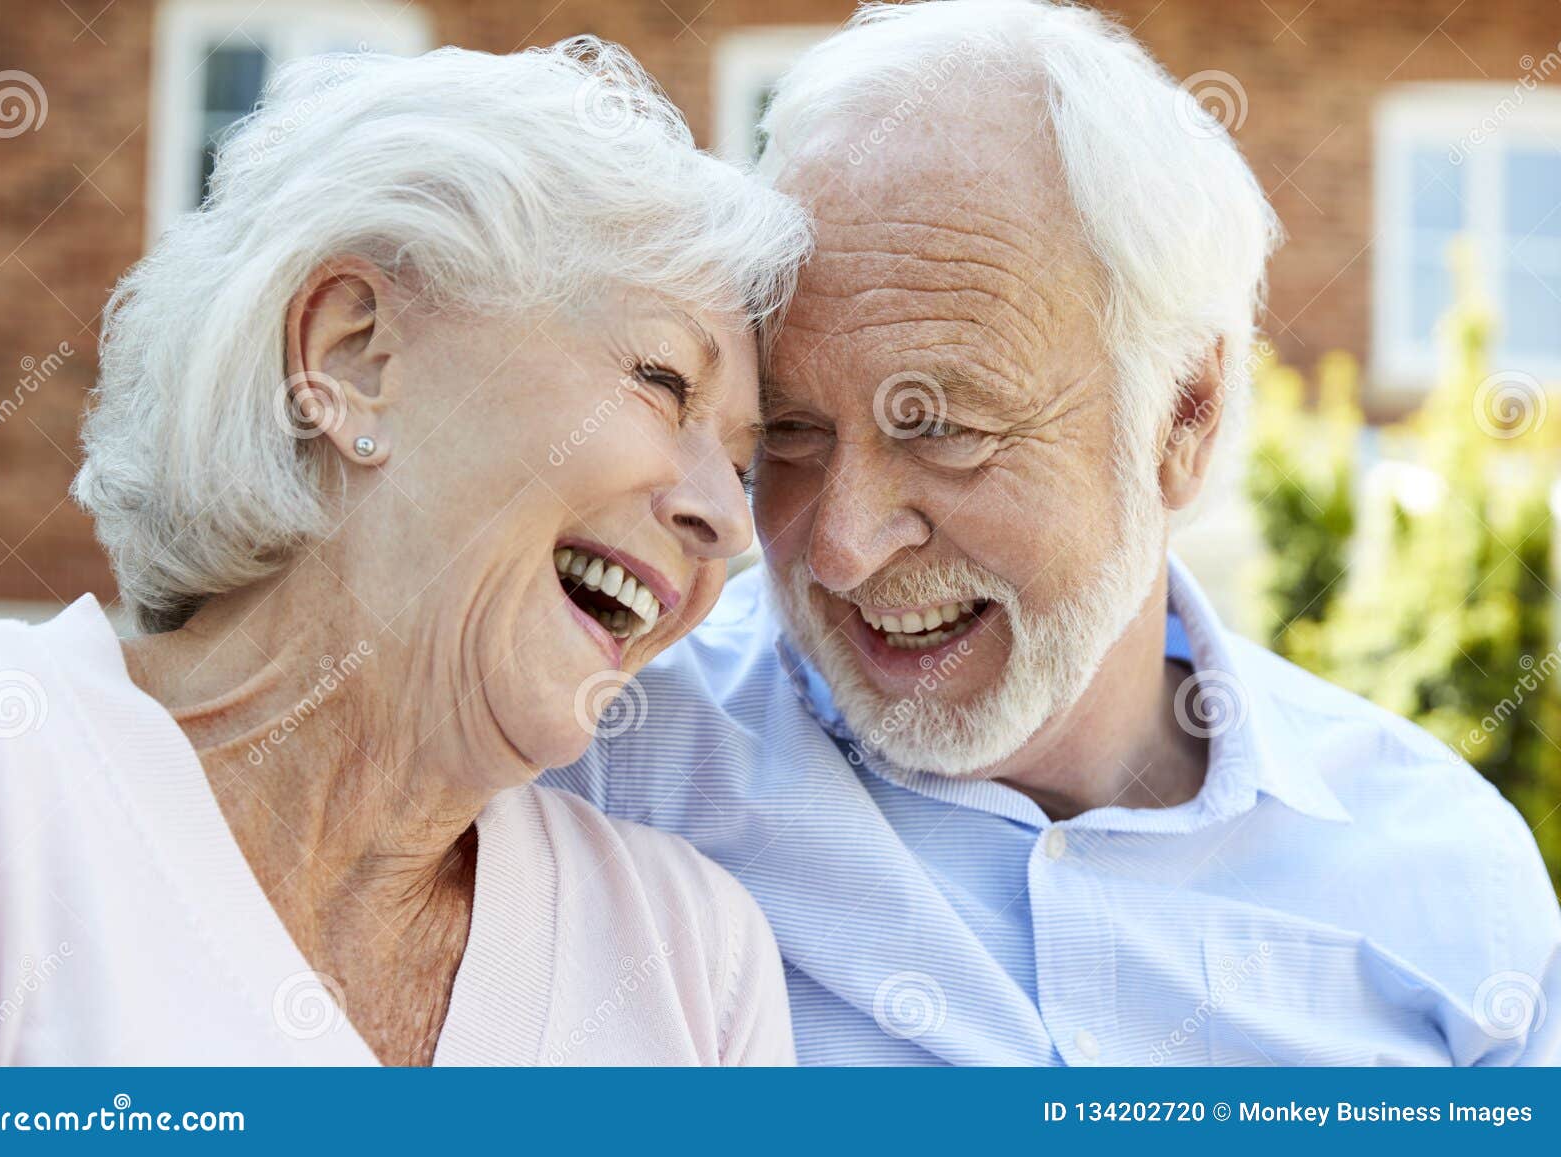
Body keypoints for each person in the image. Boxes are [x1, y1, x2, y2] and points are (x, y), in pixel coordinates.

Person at [545, 0, 1561, 1065]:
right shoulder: (606, 766)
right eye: (792, 432)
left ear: (1182, 415)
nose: (841, 547)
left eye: (942, 428)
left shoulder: (1450, 884)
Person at [0, 41, 812, 1066]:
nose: (727, 517)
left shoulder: (691, 957)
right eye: (662, 379)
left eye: (746, 464)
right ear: (353, 354)